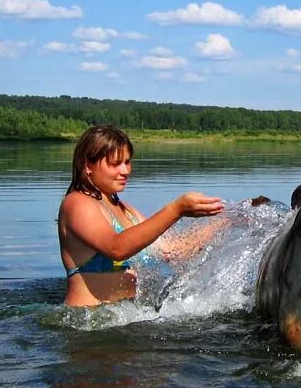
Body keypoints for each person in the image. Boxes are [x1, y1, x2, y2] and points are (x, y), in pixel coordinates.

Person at [57, 125, 225, 307]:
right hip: (86, 323)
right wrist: (177, 209)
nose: (125, 171)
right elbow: (117, 248)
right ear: (88, 165)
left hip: (125, 318)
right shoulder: (77, 203)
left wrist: (227, 219)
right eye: (115, 164)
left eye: (127, 162)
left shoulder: (125, 210)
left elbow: (173, 251)